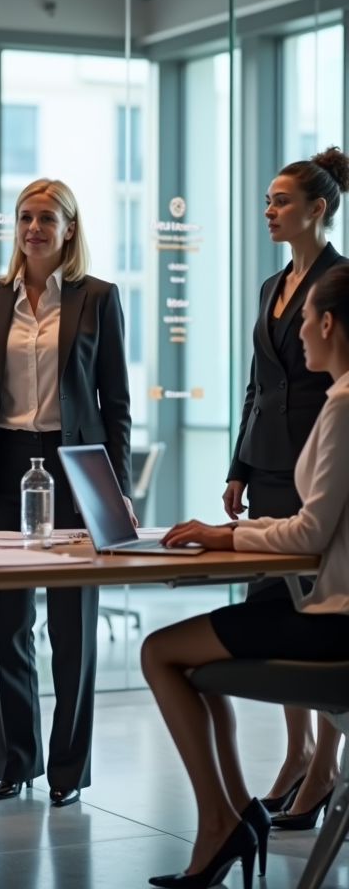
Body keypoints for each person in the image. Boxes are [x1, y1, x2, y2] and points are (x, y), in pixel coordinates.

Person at [141, 263, 349, 889]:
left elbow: (310, 532)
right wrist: (230, 532)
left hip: (335, 625)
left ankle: (221, 824)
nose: (299, 332)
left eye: (306, 320)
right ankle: (233, 816)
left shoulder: (342, 406)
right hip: (331, 608)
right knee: (190, 661)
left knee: (159, 652)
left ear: (330, 322)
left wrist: (227, 533)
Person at [0, 178, 134, 807]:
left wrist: (120, 489)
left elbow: (117, 406)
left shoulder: (98, 299)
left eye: (47, 219)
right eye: (26, 218)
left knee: (73, 629)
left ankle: (68, 772)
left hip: (77, 468)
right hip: (3, 465)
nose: (34, 228)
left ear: (69, 229)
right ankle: (15, 762)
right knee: (6, 626)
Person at [224, 147, 349, 828]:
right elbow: (257, 382)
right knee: (274, 601)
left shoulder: (341, 279)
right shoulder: (272, 283)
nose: (269, 211)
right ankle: (297, 751)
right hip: (268, 461)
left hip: (320, 456)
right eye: (267, 201)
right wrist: (238, 467)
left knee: (313, 604)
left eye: (280, 201)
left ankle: (324, 768)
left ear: (317, 208)